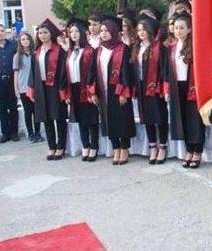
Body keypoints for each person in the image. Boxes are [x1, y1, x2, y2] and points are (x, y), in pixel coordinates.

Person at [88, 17, 135, 165]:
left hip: (118, 91)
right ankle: (116, 148)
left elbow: (127, 72)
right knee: (108, 120)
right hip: (103, 91)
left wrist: (123, 92)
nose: (103, 33)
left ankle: (125, 148)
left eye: (107, 30)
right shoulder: (98, 51)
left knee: (122, 120)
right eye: (101, 31)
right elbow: (92, 73)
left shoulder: (123, 49)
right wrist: (92, 92)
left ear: (114, 32)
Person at [164, 12, 203, 168]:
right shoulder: (171, 47)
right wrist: (166, 89)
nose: (178, 31)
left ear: (189, 29)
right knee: (182, 119)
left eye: (182, 28)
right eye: (176, 28)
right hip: (176, 86)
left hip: (192, 85)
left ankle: (197, 151)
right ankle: (188, 150)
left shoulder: (195, 45)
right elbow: (166, 70)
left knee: (195, 119)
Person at [27, 19, 68, 160]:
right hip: (41, 87)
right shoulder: (36, 52)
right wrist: (31, 87)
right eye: (40, 33)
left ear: (51, 34)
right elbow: (32, 71)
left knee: (59, 117)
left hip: (55, 87)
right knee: (46, 118)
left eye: (45, 32)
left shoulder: (59, 50)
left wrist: (62, 88)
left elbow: (64, 70)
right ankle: (51, 147)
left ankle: (61, 146)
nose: (42, 35)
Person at [133, 16, 168, 165]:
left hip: (155, 87)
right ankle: (152, 146)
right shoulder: (136, 48)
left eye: (144, 29)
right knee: (147, 118)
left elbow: (164, 69)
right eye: (139, 29)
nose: (141, 32)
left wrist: (162, 87)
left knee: (159, 118)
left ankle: (163, 147)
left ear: (150, 30)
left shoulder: (159, 47)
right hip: (141, 86)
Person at [64, 19, 99, 162]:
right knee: (80, 120)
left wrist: (92, 92)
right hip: (74, 88)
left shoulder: (90, 51)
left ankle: (94, 147)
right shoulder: (70, 52)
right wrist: (66, 93)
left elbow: (94, 73)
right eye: (71, 32)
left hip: (87, 88)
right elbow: (65, 74)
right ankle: (85, 145)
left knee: (91, 119)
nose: (73, 34)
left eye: (76, 31)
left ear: (83, 33)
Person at [13, 32, 43, 143]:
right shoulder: (17, 56)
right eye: (23, 39)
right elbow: (16, 73)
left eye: (27, 39)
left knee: (36, 111)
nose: (25, 41)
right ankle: (30, 133)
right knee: (27, 111)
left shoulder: (35, 54)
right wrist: (16, 89)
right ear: (20, 42)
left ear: (30, 40)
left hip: (35, 87)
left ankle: (37, 132)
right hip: (23, 88)